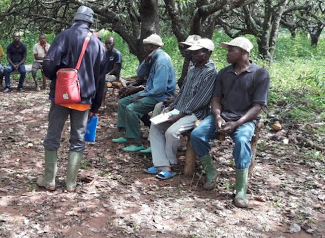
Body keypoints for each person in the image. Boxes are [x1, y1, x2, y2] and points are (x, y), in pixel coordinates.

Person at [190, 37, 270, 208]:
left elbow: (257, 107)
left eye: (231, 50)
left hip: (244, 120)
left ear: (243, 53)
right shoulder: (224, 73)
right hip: (224, 116)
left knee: (242, 141)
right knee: (197, 135)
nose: (227, 54)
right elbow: (216, 99)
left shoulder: (260, 74)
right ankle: (211, 172)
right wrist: (218, 117)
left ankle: (241, 188)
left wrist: (237, 123)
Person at [38, 5, 106, 192]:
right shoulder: (98, 44)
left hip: (62, 97)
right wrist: (96, 105)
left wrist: (57, 78)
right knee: (78, 139)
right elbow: (101, 79)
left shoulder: (64, 36)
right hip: (83, 100)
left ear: (75, 19)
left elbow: (49, 63)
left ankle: (49, 180)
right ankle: (70, 183)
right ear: (90, 22)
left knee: (53, 136)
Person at [143, 38, 217, 179]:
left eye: (197, 52)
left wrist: (179, 114)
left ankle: (170, 163)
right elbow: (183, 92)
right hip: (181, 109)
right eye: (193, 52)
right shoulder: (192, 70)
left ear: (207, 53)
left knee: (172, 132)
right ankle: (162, 165)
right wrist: (172, 106)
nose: (193, 55)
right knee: (155, 126)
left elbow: (201, 100)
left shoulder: (210, 73)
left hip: (196, 113)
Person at [112, 34, 176, 152]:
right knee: (123, 102)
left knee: (132, 108)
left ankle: (135, 142)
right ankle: (127, 134)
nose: (144, 49)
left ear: (152, 47)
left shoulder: (162, 61)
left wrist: (141, 94)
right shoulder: (153, 58)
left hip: (161, 96)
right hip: (152, 93)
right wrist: (146, 61)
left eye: (147, 46)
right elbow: (140, 73)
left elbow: (159, 89)